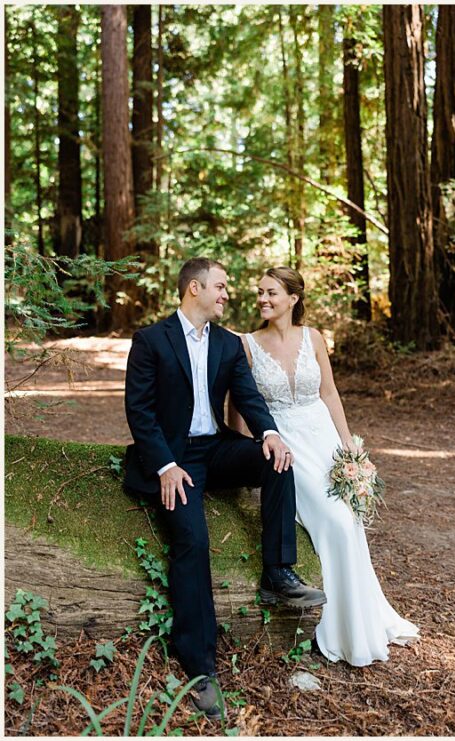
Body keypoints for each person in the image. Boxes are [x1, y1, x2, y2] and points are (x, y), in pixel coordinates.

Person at [123, 257, 326, 721]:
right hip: (175, 459)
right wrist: (166, 466)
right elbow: (140, 412)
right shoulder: (151, 340)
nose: (228, 294)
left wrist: (270, 433)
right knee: (193, 540)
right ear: (194, 288)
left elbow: (249, 398)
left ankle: (278, 572)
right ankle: (201, 670)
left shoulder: (229, 345)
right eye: (220, 286)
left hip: (214, 448)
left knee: (277, 461)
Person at [230, 266, 419, 667]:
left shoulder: (313, 338)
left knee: (348, 518)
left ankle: (361, 619)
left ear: (293, 299)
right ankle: (333, 622)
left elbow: (329, 393)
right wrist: (242, 451)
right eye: (260, 292)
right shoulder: (247, 345)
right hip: (285, 443)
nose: (263, 299)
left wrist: (348, 444)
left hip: (323, 439)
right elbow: (240, 406)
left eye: (272, 293)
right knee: (332, 520)